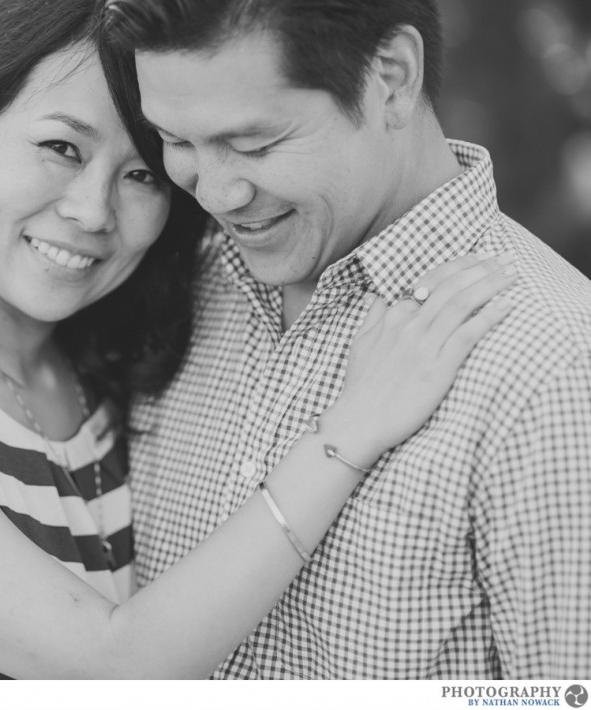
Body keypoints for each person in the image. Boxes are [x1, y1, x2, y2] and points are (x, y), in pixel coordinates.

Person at [0, 0, 515, 679]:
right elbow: (114, 668)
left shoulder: (110, 368)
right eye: (62, 149)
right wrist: (345, 437)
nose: (92, 210)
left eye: (141, 172)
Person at [104, 0, 591, 680]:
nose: (214, 192)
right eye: (177, 142)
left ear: (390, 76)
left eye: (253, 144)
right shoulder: (184, 285)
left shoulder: (552, 365)